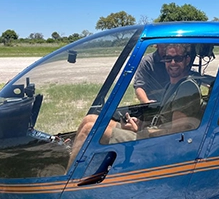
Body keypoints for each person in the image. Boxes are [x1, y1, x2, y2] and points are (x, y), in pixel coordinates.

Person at [67, 44, 197, 166]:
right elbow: (164, 121)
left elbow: (177, 134)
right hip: (152, 133)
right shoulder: (173, 85)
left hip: (158, 145)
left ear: (187, 60)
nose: (172, 63)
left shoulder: (186, 88)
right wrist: (142, 124)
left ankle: (66, 182)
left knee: (89, 130)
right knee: (90, 119)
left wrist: (142, 130)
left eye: (178, 58)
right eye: (168, 58)